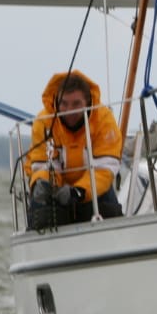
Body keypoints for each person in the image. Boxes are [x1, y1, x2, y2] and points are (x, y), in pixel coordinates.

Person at [25, 71, 124, 230]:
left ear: (88, 102)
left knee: (108, 209)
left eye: (76, 104)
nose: (69, 110)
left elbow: (105, 169)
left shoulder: (104, 120)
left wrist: (79, 192)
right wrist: (44, 184)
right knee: (40, 209)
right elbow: (43, 165)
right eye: (64, 103)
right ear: (57, 101)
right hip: (57, 191)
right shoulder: (43, 122)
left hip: (92, 190)